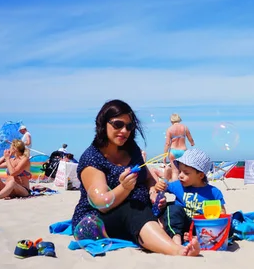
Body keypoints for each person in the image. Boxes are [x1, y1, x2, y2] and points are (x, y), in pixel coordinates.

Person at [71, 99, 200, 257]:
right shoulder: (92, 158)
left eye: (129, 126)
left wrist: (153, 192)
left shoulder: (132, 150)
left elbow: (147, 178)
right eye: (118, 124)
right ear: (103, 124)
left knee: (176, 209)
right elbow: (102, 203)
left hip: (142, 208)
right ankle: (177, 250)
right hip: (97, 218)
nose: (124, 131)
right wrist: (124, 188)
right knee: (132, 209)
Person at [155, 148, 226, 245]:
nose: (180, 175)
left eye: (186, 173)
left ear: (200, 175)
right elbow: (164, 186)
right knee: (172, 209)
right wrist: (159, 186)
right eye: (180, 171)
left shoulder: (213, 192)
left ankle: (196, 237)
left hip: (202, 227)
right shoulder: (178, 185)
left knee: (227, 227)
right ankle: (176, 239)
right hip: (182, 223)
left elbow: (222, 213)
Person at [164, 113, 195, 180]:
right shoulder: (184, 127)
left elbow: (167, 143)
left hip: (173, 151)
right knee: (183, 171)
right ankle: (183, 186)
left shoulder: (169, 129)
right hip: (183, 151)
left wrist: (164, 156)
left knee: (175, 172)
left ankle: (176, 188)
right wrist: (192, 143)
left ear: (171, 120)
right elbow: (190, 138)